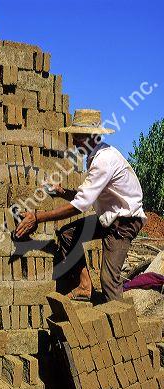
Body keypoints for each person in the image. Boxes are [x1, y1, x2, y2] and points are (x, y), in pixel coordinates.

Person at [16, 109, 147, 302]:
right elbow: (87, 196)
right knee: (69, 234)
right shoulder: (95, 157)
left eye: (78, 136)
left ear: (92, 136)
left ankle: (121, 327)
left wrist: (37, 217)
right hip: (109, 217)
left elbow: (80, 206)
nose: (74, 141)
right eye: (74, 136)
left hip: (124, 223)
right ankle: (85, 286)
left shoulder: (104, 160)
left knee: (109, 280)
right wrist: (62, 192)